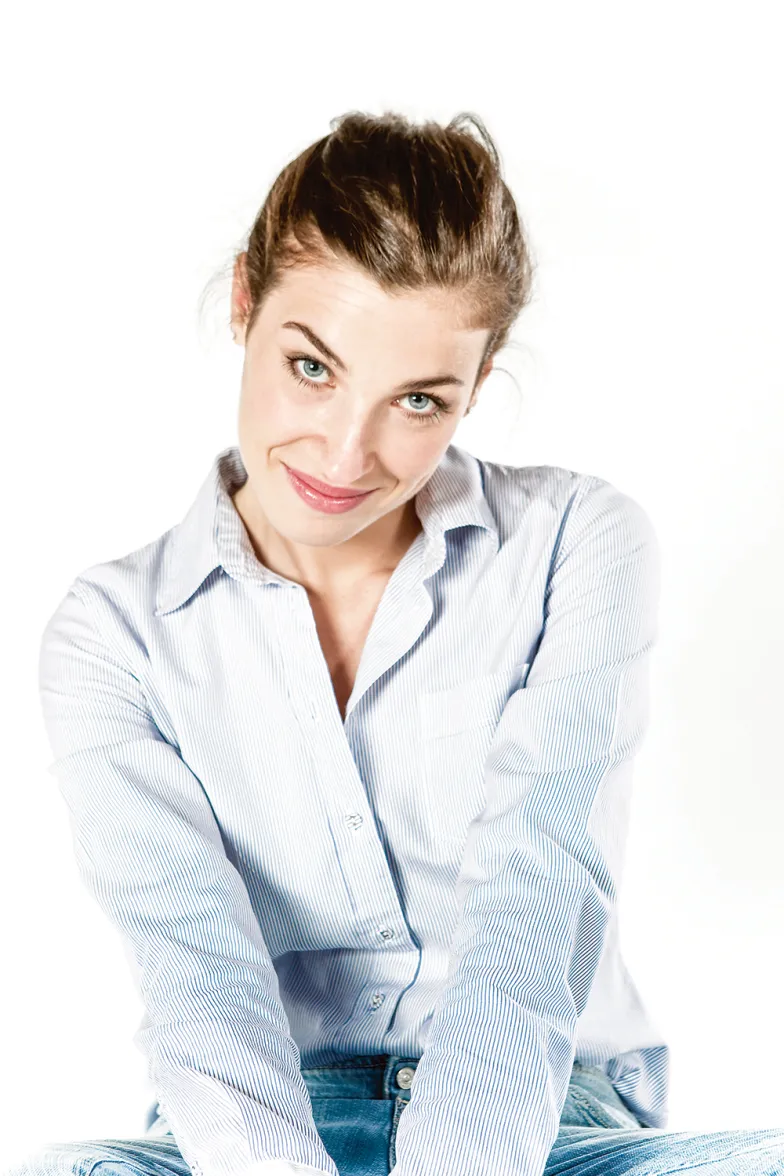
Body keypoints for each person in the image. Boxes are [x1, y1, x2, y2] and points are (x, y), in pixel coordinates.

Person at [15, 110, 784, 1176]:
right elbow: (196, 970)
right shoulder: (112, 636)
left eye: (418, 400)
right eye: (311, 367)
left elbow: (537, 889)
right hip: (245, 1144)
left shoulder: (574, 543)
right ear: (244, 303)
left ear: (479, 382)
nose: (345, 455)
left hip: (545, 1131)